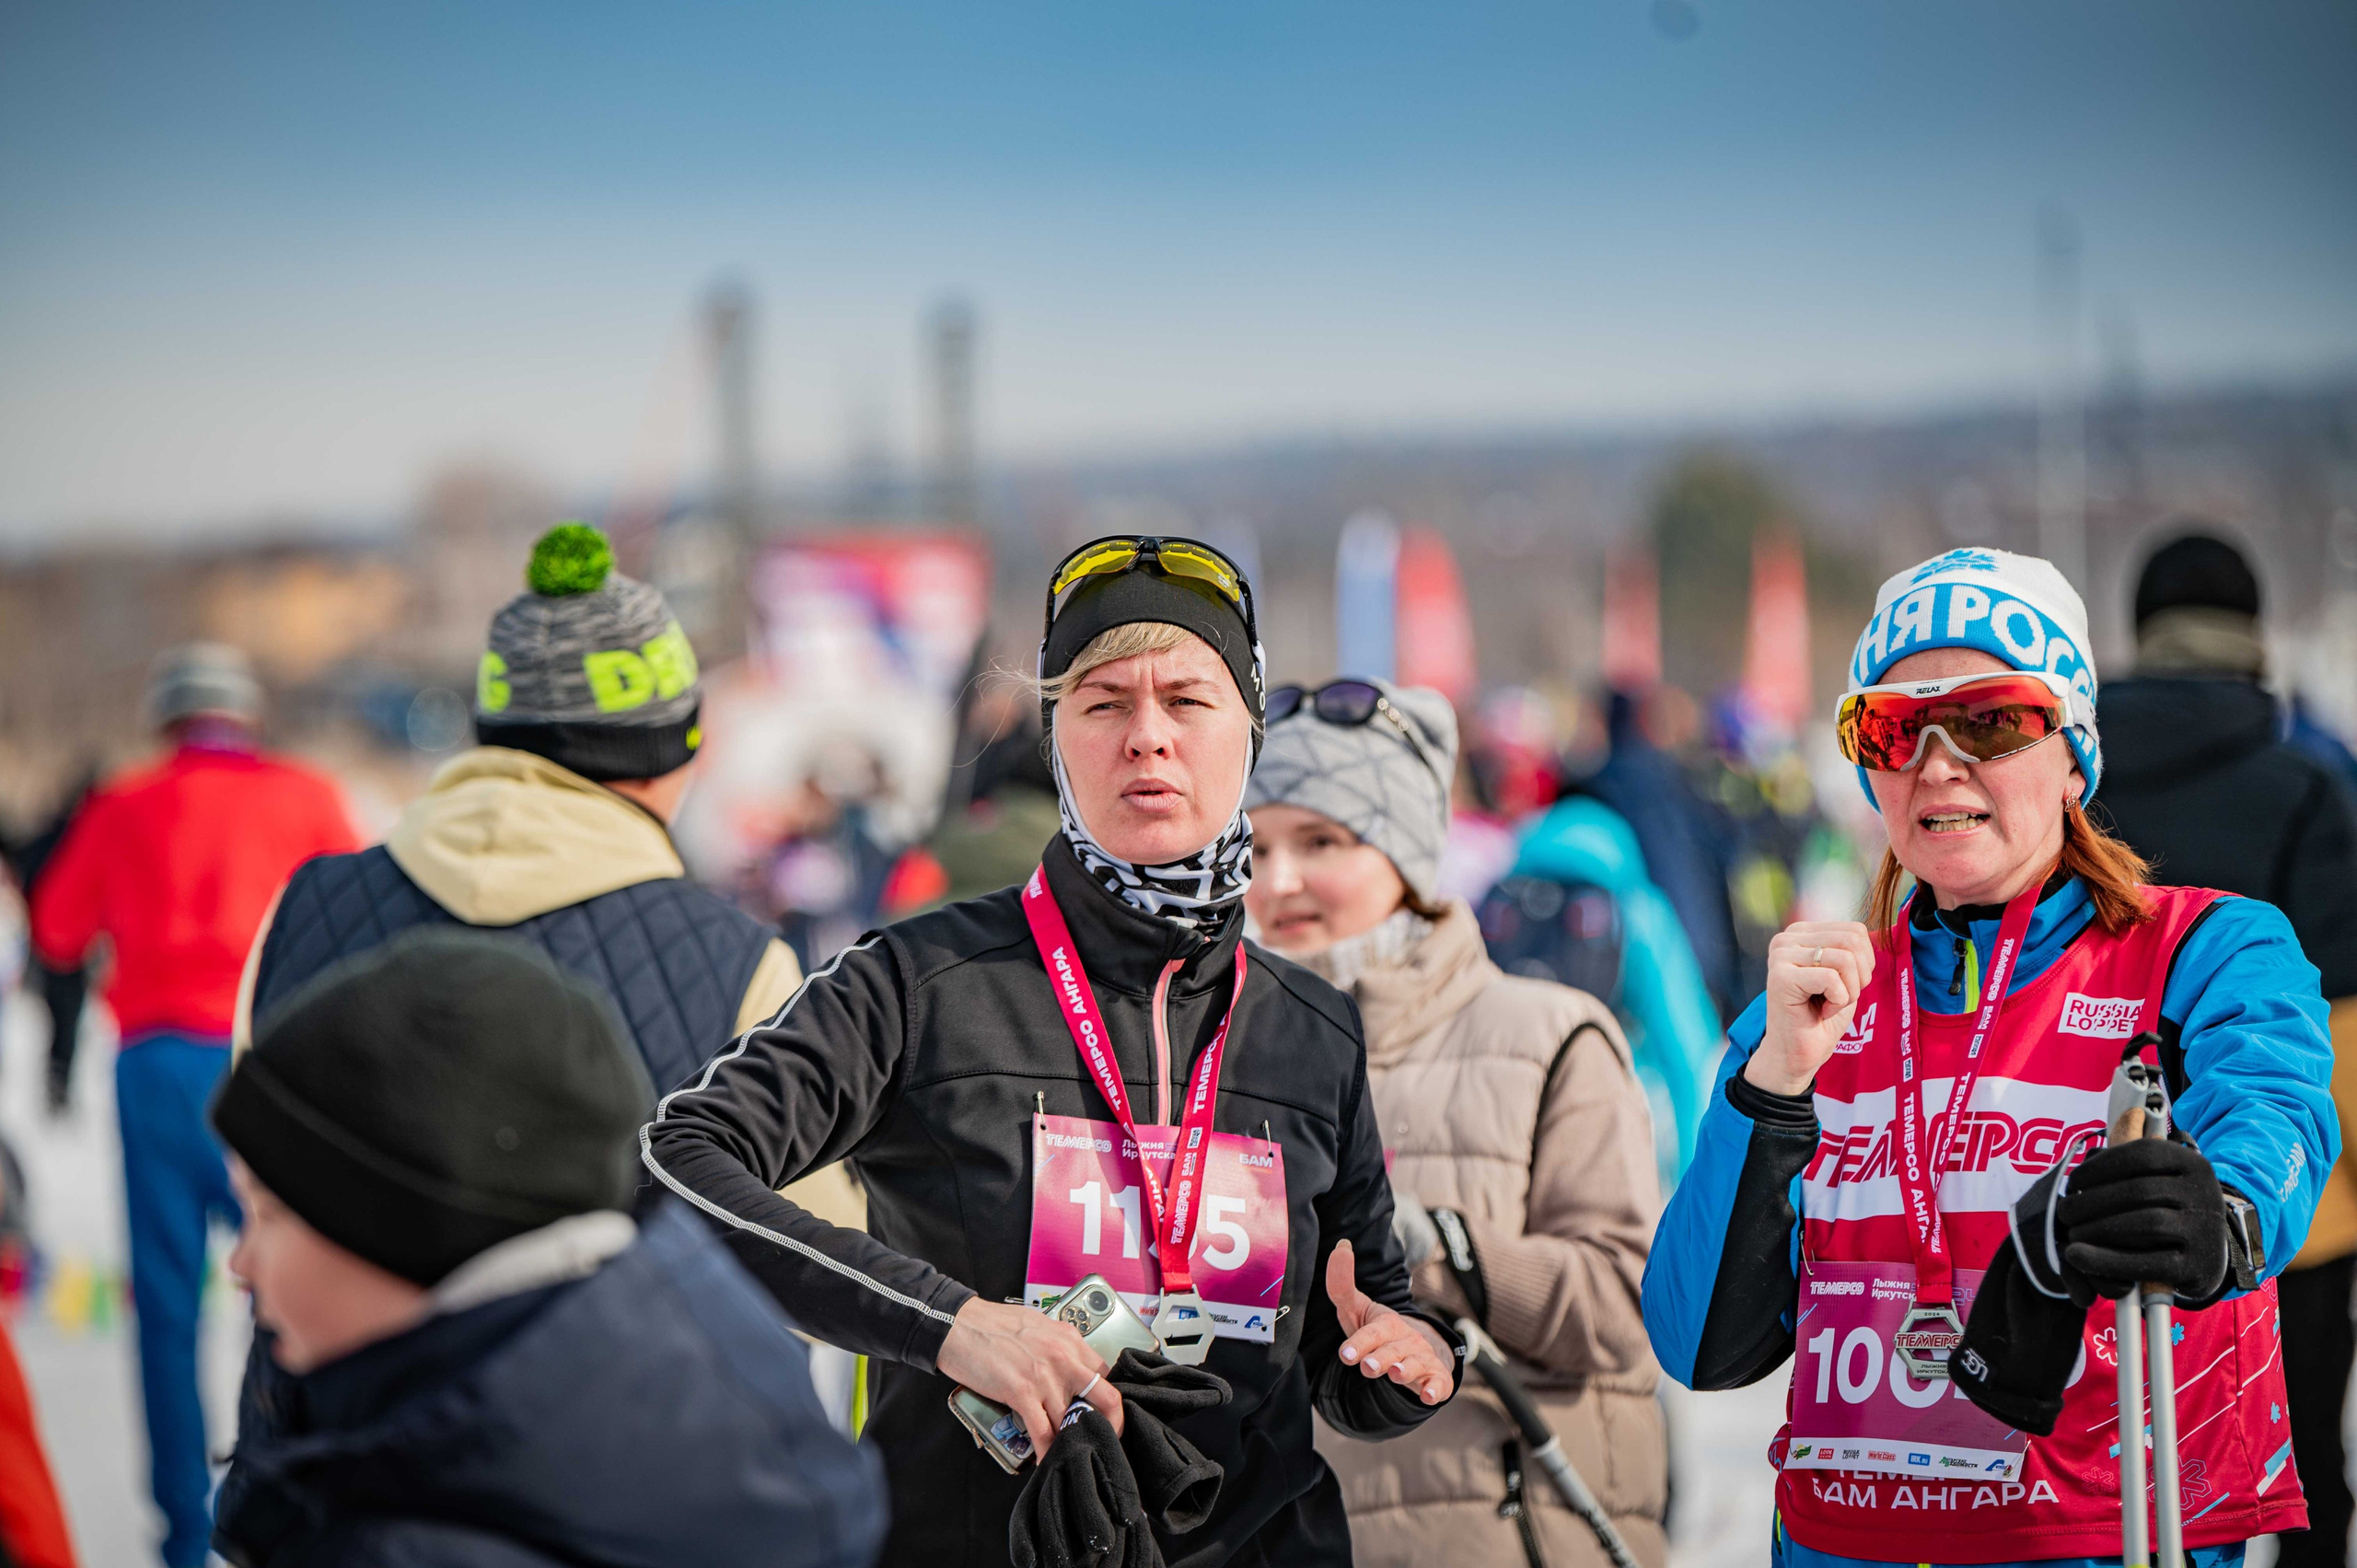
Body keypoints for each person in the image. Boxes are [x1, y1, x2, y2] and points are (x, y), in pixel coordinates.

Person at [645, 535, 1460, 1566]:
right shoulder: (922, 980)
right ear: (1055, 735)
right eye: (1104, 701)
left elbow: (1358, 1324)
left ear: (1247, 733)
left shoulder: (1313, 1027)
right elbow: (680, 1160)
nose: (1147, 738)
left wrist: (1406, 1353)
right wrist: (944, 1321)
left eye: (1188, 700)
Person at [1642, 547, 2335, 1567]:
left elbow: (2270, 1118)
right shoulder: (1816, 1005)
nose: (1935, 762)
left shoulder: (2205, 952)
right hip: (1847, 1543)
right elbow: (1700, 1342)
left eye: (1989, 719)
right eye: (1889, 727)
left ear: (2071, 755)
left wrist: (2218, 1210)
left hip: (2101, 1536)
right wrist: (1770, 1086)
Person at [210, 927, 885, 1568]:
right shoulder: (675, 1382)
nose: (239, 1264)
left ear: (395, 1235)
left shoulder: (419, 1538)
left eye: (267, 1214)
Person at [1242, 676, 1666, 1567]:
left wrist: (1434, 1245)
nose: (1278, 881)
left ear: (1403, 850)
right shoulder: (1211, 1055)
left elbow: (1623, 1305)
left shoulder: (1546, 1032)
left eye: (1321, 840)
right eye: (1256, 846)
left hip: (1498, 1536)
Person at [231, 522, 800, 1097]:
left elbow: (254, 1161)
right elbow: (801, 1186)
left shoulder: (308, 908)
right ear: (668, 751)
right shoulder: (741, 968)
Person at [29, 643, 358, 1568]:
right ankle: (293, 1501)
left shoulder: (124, 803)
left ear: (167, 720)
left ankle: (184, 1535)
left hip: (155, 1065)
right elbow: (366, 913)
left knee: (168, 1311)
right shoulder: (304, 794)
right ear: (247, 717)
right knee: (297, 1290)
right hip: (272, 1059)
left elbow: (56, 928)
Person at [2097, 529, 2357, 1568]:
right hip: (2284, 1210)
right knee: (2295, 1485)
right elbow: (2344, 1013)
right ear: (2250, 632)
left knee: (2105, 1481)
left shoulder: (2062, 780)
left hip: (2079, 1194)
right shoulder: (2308, 784)